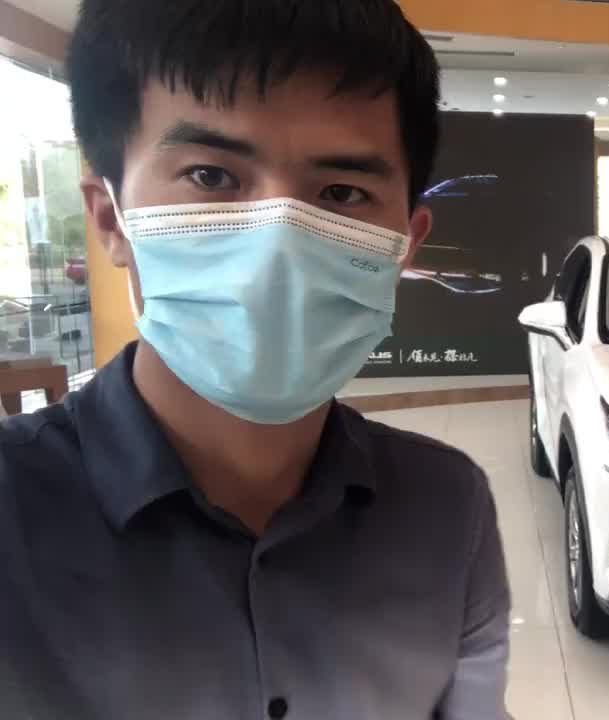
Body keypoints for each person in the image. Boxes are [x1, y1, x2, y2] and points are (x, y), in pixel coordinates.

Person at [0, 2, 510, 719]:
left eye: (342, 193)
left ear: (405, 244)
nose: (277, 245)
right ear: (111, 218)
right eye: (211, 176)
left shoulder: (448, 506)